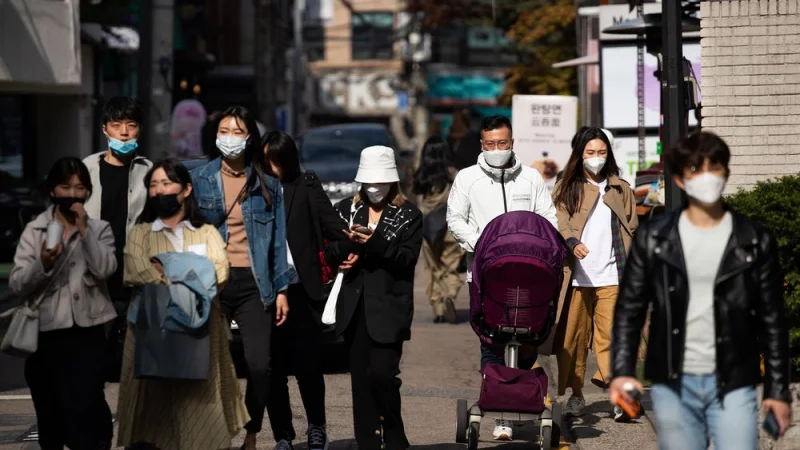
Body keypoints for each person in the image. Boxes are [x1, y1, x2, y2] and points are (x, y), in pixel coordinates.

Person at [610, 132, 793, 449]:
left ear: (726, 173)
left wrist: (778, 390)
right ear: (681, 180)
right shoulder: (654, 239)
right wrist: (623, 371)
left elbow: (773, 319)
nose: (706, 177)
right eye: (695, 169)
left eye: (714, 168)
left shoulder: (753, 239)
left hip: (734, 378)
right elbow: (630, 309)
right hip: (673, 379)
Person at [116, 159, 248, 450]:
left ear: (186, 189)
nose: (159, 190)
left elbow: (219, 272)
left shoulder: (206, 232)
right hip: (152, 331)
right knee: (152, 415)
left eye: (166, 183)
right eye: (153, 185)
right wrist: (192, 272)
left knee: (200, 412)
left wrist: (167, 268)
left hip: (200, 331)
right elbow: (135, 272)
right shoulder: (140, 233)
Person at [446, 115, 558, 441]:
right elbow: (456, 219)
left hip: (530, 274)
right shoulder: (468, 179)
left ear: (512, 143)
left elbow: (547, 220)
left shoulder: (532, 179)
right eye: (491, 144)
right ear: (482, 145)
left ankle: (517, 396)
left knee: (528, 339)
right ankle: (502, 414)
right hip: (486, 275)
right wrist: (480, 246)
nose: (497, 149)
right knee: (491, 340)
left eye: (503, 143)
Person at [190, 106, 293, 450]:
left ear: (249, 137)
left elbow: (278, 240)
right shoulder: (199, 178)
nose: (229, 138)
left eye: (236, 131)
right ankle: (215, 431)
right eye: (223, 130)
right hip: (211, 282)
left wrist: (281, 289)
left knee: (260, 365)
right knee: (212, 366)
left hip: (255, 283)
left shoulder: (267, 183)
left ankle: (251, 431)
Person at [9, 157, 117, 450]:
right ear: (52, 190)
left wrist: (85, 232)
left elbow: (106, 269)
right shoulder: (36, 230)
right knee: (50, 409)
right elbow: (17, 283)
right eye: (65, 186)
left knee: (86, 404)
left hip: (89, 330)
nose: (72, 194)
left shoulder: (100, 228)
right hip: (47, 333)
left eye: (80, 187)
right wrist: (42, 264)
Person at [262, 131, 352, 450]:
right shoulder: (255, 191)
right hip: (267, 294)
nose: (271, 167)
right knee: (272, 370)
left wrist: (346, 247)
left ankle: (316, 427)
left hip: (302, 291)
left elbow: (334, 226)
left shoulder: (306, 186)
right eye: (266, 161)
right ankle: (283, 435)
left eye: (276, 161)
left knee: (308, 366)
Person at [329, 145, 422, 450]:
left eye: (380, 182)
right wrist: (347, 251)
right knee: (360, 380)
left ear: (392, 181)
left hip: (390, 306)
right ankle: (367, 440)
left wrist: (373, 242)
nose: (373, 188)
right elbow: (329, 249)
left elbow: (406, 259)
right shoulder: (345, 210)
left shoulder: (408, 215)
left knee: (382, 374)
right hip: (354, 307)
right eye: (368, 182)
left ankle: (394, 432)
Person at [546, 127, 638, 420]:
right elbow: (560, 221)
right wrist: (573, 242)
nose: (596, 158)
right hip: (575, 278)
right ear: (580, 154)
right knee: (572, 340)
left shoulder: (620, 188)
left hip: (612, 276)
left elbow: (632, 227)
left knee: (610, 338)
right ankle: (576, 395)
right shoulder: (566, 186)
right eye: (590, 153)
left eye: (601, 152)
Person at [82, 97, 153, 379]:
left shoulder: (149, 172)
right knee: (94, 364)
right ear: (105, 130)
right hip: (95, 281)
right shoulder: (86, 169)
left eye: (131, 125)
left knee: (138, 367)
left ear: (139, 130)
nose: (124, 132)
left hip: (136, 282)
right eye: (116, 125)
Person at [412, 136, 463, 323]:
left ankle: (439, 307)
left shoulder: (422, 177)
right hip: (450, 226)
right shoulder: (453, 175)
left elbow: (418, 203)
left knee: (433, 268)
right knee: (451, 265)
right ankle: (450, 293)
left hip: (429, 229)